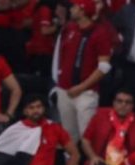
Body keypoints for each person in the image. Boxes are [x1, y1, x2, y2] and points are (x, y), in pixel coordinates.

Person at [52, 0, 116, 143]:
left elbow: (104, 66)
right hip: (64, 90)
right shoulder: (69, 28)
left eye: (75, 7)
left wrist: (81, 87)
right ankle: (71, 159)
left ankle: (89, 158)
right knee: (68, 137)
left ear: (82, 10)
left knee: (88, 137)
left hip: (86, 93)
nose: (71, 9)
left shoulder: (100, 33)